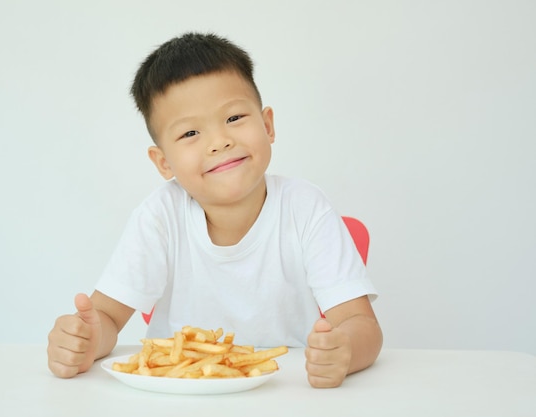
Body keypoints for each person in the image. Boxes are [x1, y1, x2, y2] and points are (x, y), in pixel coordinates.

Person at [47, 32, 382, 388]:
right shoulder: (160, 216)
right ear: (163, 162)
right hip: (173, 398)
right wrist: (85, 341)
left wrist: (343, 351)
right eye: (190, 133)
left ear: (267, 125)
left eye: (235, 117)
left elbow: (362, 326)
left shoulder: (306, 207)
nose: (219, 141)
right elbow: (107, 318)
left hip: (285, 394)